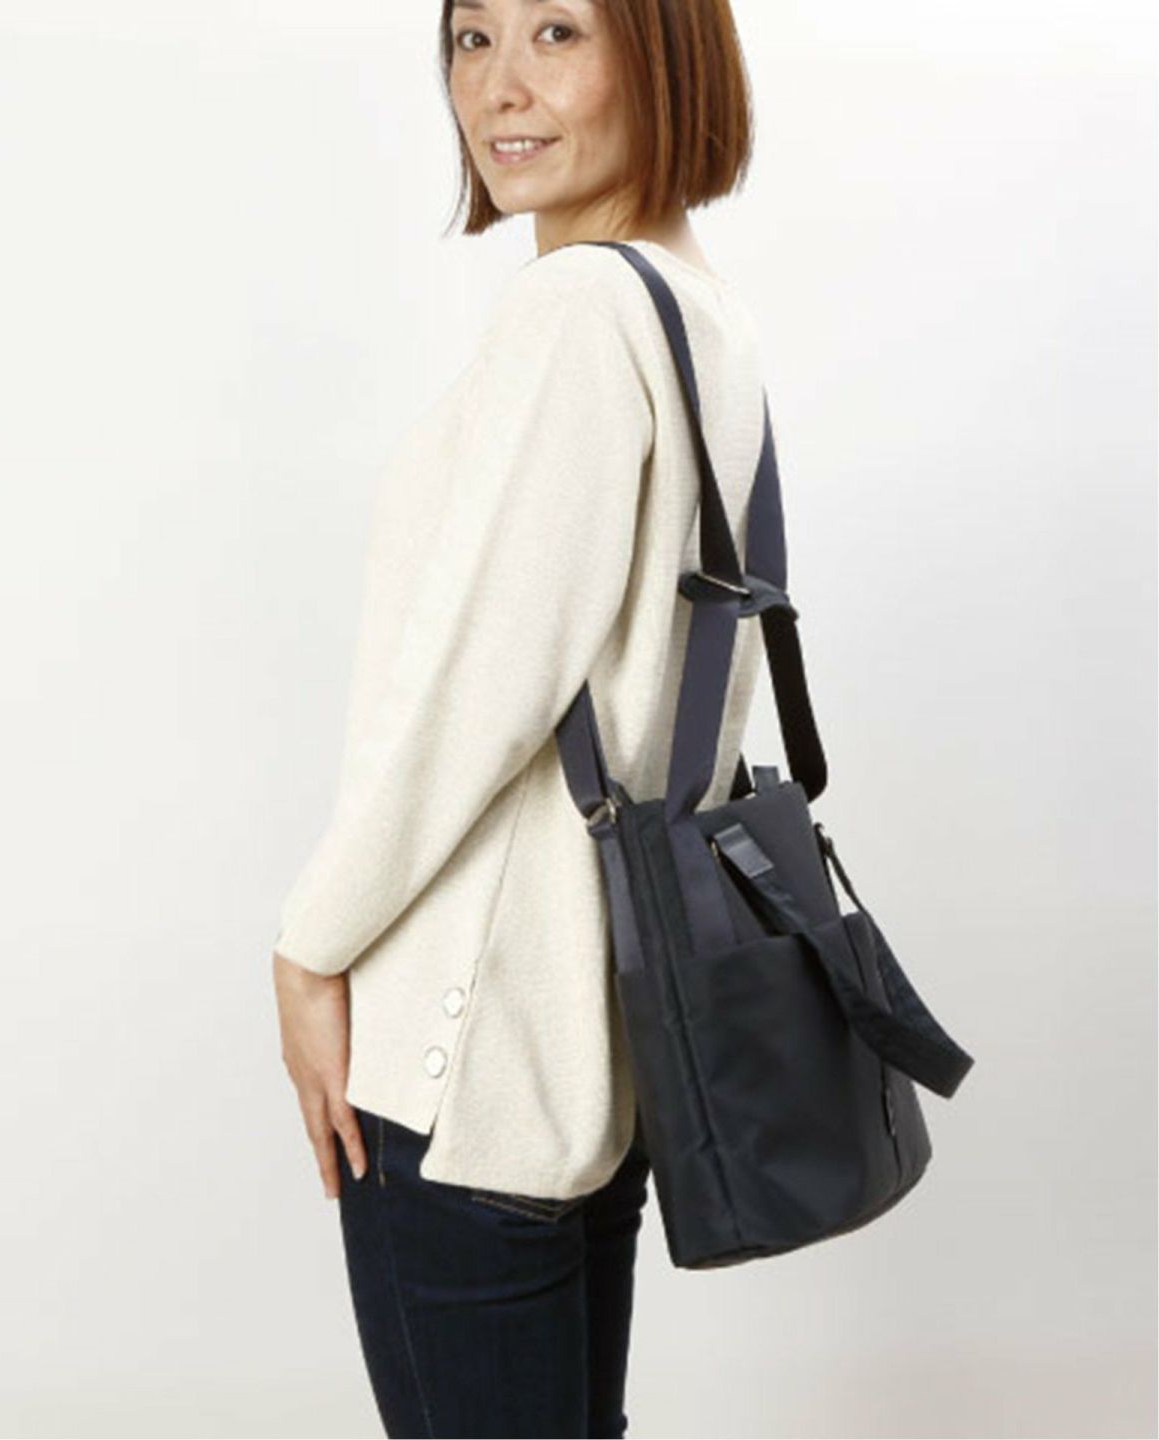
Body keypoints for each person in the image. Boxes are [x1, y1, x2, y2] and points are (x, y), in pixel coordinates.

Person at [271, 1, 769, 1434]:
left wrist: (311, 944)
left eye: (557, 32)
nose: (499, 87)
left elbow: (476, 697)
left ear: (664, 51)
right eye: (471, 37)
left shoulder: (577, 315)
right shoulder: (692, 309)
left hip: (466, 1062)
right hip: (587, 1057)